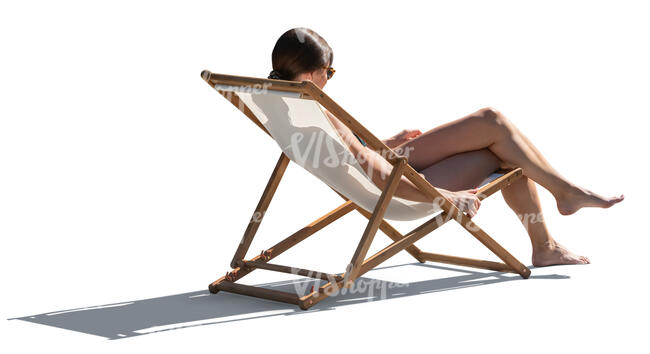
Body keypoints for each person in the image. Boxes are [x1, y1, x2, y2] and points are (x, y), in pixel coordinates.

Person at [267, 27, 624, 267]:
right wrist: (441, 197)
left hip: (384, 168)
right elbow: (373, 172)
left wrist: (387, 144)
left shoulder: (285, 103)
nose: (329, 79)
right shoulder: (314, 105)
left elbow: (349, 157)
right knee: (501, 152)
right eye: (330, 72)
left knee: (491, 120)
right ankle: (550, 234)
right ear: (315, 72)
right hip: (395, 190)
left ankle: (564, 201)